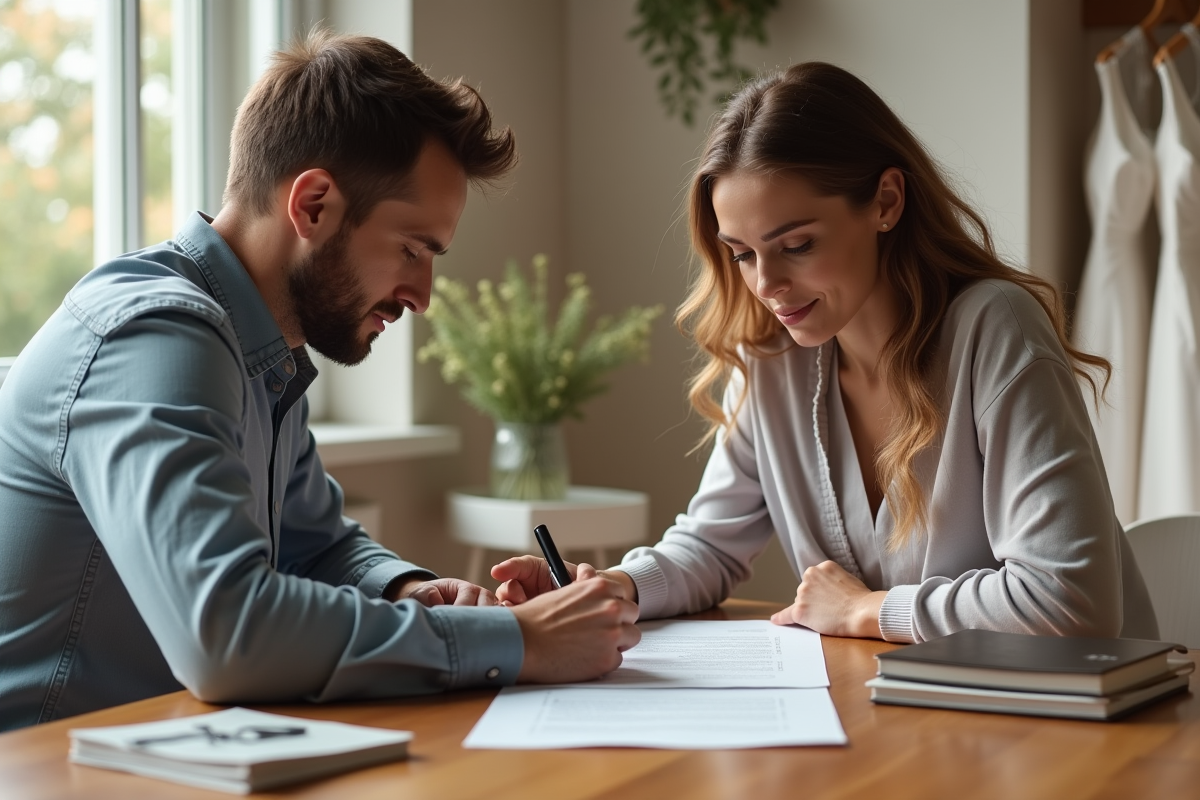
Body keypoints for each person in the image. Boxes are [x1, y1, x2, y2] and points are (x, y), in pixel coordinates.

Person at [0, 31, 638, 732]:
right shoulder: (157, 336)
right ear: (312, 205)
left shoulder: (260, 345)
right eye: (411, 249)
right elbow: (226, 634)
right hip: (44, 765)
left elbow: (318, 544)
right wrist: (521, 642)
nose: (423, 295)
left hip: (158, 752)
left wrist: (414, 589)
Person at [492, 62, 1158, 644]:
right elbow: (709, 545)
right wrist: (611, 587)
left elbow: (1070, 602)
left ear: (886, 203)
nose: (767, 285)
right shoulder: (772, 361)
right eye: (743, 254)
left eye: (798, 244)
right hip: (905, 724)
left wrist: (869, 612)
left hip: (1078, 738)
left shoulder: (993, 330)